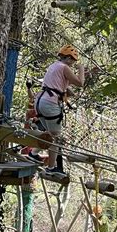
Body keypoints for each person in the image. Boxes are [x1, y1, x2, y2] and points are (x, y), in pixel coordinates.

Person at [35, 45, 85, 175]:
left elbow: (68, 88)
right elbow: (80, 83)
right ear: (68, 58)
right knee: (55, 138)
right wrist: (81, 70)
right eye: (74, 61)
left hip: (40, 101)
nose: (74, 64)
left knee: (49, 134)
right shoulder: (64, 67)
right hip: (50, 103)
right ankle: (51, 167)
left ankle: (34, 154)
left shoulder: (54, 66)